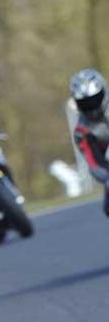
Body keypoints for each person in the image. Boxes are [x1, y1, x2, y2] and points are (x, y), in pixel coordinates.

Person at [69, 68, 109, 215]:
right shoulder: (82, 130)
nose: (91, 106)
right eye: (85, 103)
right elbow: (93, 163)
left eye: (94, 99)